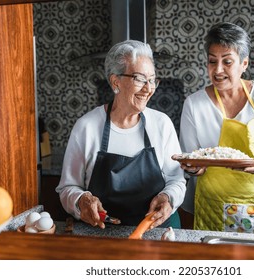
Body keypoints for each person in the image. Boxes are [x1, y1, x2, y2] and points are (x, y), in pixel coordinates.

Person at [56, 40, 186, 229]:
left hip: (158, 232)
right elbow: (67, 188)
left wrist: (168, 198)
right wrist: (81, 199)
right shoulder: (87, 127)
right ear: (115, 81)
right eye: (140, 79)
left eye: (152, 80)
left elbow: (176, 180)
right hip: (102, 234)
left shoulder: (161, 124)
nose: (148, 88)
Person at [179, 22, 254, 233]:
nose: (218, 70)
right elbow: (192, 158)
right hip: (210, 201)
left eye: (227, 61)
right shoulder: (194, 103)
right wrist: (193, 166)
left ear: (244, 63)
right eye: (212, 61)